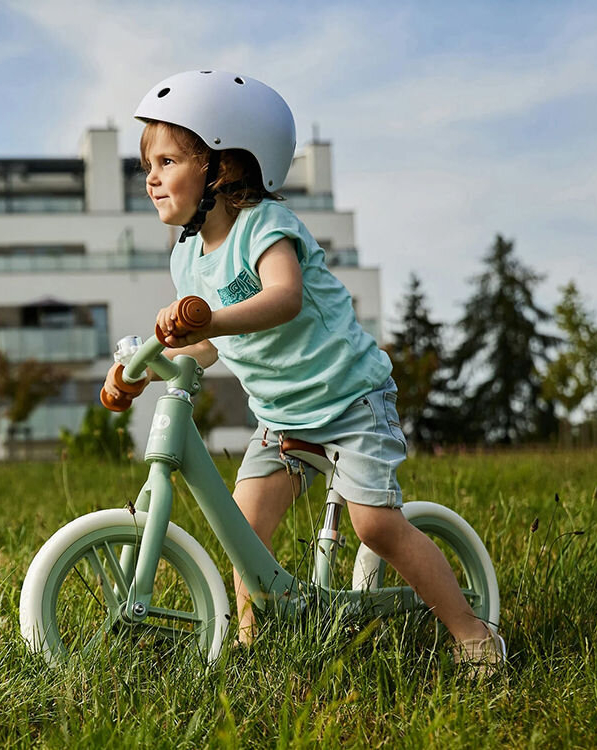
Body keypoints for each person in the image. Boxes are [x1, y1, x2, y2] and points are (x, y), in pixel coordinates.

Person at [103, 69, 505, 673]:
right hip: (281, 419)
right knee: (244, 536)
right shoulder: (186, 258)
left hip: (349, 401)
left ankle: (472, 632)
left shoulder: (266, 227)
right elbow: (207, 349)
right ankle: (249, 649)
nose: (152, 178)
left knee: (376, 527)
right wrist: (147, 368)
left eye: (166, 161)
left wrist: (208, 319)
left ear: (223, 166)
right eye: (147, 166)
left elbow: (283, 298)